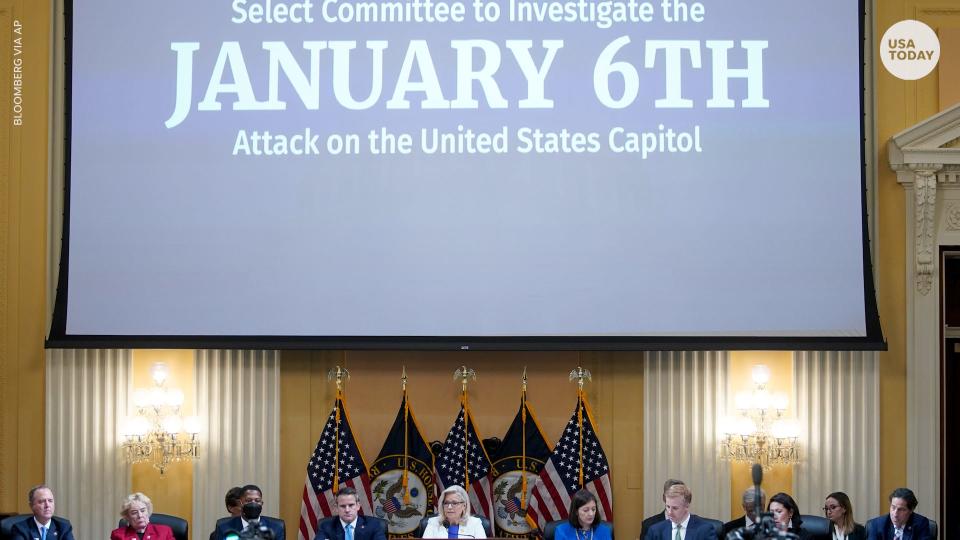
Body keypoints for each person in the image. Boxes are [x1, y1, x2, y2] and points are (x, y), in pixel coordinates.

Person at [646, 484, 719, 540]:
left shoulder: (705, 530)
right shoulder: (655, 531)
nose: (669, 512)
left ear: (687, 506)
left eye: (675, 508)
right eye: (668, 507)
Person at [214, 485, 286, 540]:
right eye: (248, 500)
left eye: (257, 501)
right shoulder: (223, 526)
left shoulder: (276, 527)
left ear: (262, 503)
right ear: (240, 503)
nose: (253, 504)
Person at [317, 487, 386, 540]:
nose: (347, 510)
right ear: (337, 508)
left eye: (351, 505)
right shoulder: (326, 526)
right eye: (343, 506)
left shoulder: (373, 524)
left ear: (358, 506)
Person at [8, 485, 75, 540]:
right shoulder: (20, 529)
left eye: (50, 501)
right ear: (31, 505)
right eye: (42, 501)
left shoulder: (63, 527)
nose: (47, 505)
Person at [865, 488, 932, 540]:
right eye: (893, 507)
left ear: (911, 510)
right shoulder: (876, 525)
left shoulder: (920, 524)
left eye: (901, 510)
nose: (895, 514)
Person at [422, 485, 487, 539]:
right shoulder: (433, 523)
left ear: (464, 505)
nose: (449, 507)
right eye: (446, 503)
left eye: (454, 503)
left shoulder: (475, 523)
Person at [110, 492, 175, 540]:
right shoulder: (118, 535)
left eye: (143, 510)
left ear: (148, 511)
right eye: (134, 512)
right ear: (127, 517)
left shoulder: (165, 532)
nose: (140, 515)